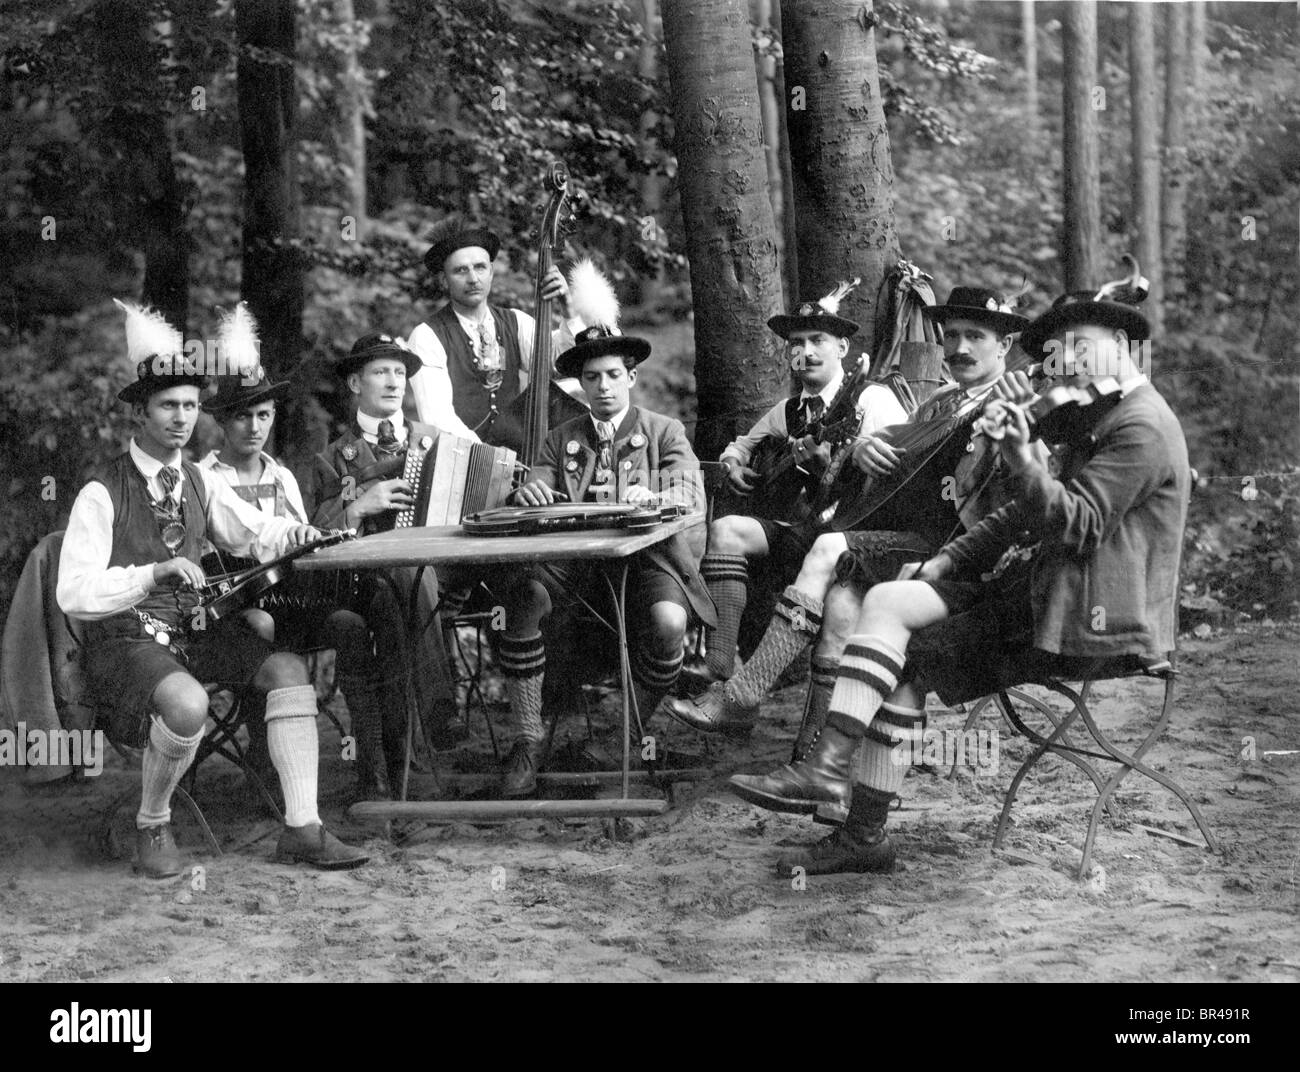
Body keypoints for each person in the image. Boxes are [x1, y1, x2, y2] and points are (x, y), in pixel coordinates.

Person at [729, 280, 1187, 876]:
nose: (1065, 362)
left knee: (903, 651)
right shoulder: (1094, 415)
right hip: (1041, 591)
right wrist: (949, 560)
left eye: (1081, 346)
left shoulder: (1140, 425)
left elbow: (1077, 525)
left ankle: (850, 812)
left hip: (1091, 617)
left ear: (1122, 344)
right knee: (891, 605)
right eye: (1059, 351)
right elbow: (1020, 511)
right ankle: (833, 778)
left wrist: (1022, 456)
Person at [58, 301, 369, 877]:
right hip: (125, 638)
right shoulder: (102, 491)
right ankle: (152, 824)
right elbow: (73, 592)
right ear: (141, 415)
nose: (181, 418)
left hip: (190, 629)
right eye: (168, 406)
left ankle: (302, 827)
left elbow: (251, 530)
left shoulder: (199, 480)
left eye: (189, 407)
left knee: (285, 671)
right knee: (188, 702)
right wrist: (151, 573)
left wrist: (295, 531)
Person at [666, 287, 1031, 760]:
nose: (960, 348)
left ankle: (743, 696)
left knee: (827, 551)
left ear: (1003, 346)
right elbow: (894, 466)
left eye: (975, 337)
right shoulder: (942, 401)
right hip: (894, 537)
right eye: (953, 335)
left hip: (954, 555)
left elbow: (1020, 495)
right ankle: (811, 757)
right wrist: (858, 451)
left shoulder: (1011, 402)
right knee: (838, 601)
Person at [498, 292, 716, 797]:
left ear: (631, 378)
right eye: (591, 377)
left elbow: (689, 493)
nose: (602, 387)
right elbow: (538, 484)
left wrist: (654, 495)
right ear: (580, 383)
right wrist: (526, 489)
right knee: (522, 597)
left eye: (612, 374)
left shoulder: (664, 431)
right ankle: (528, 741)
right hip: (575, 565)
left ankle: (628, 733)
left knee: (669, 623)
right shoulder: (561, 437)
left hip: (647, 559)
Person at [674, 290, 911, 731]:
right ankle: (720, 666)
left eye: (817, 340)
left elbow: (908, 466)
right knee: (725, 530)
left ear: (841, 348)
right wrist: (731, 464)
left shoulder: (871, 400)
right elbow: (742, 444)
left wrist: (856, 452)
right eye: (796, 344)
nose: (805, 352)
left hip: (859, 537)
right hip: (809, 532)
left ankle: (747, 699)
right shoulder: (788, 411)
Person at [199, 306, 394, 802]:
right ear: (222, 420)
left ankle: (374, 773)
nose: (254, 427)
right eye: (242, 415)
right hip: (234, 607)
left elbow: (302, 543)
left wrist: (324, 536)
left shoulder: (281, 474)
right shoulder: (205, 479)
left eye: (264, 415)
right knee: (260, 629)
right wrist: (295, 534)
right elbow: (243, 531)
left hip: (289, 601)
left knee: (350, 625)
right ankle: (264, 766)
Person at [306, 333, 473, 799]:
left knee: (408, 583)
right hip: (359, 579)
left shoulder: (436, 442)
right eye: (381, 372)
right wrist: (358, 507)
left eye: (400, 373)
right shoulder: (330, 457)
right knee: (399, 583)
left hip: (440, 573)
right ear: (356, 383)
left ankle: (387, 766)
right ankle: (433, 719)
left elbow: (466, 506)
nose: (394, 382)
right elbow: (312, 536)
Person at [403, 218, 586, 447]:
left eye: (480, 267)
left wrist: (568, 309)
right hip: (459, 462)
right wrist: (495, 460)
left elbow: (562, 365)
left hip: (520, 455)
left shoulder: (516, 322)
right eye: (460, 271)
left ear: (491, 272)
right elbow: (438, 419)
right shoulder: (427, 336)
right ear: (443, 280)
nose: (473, 279)